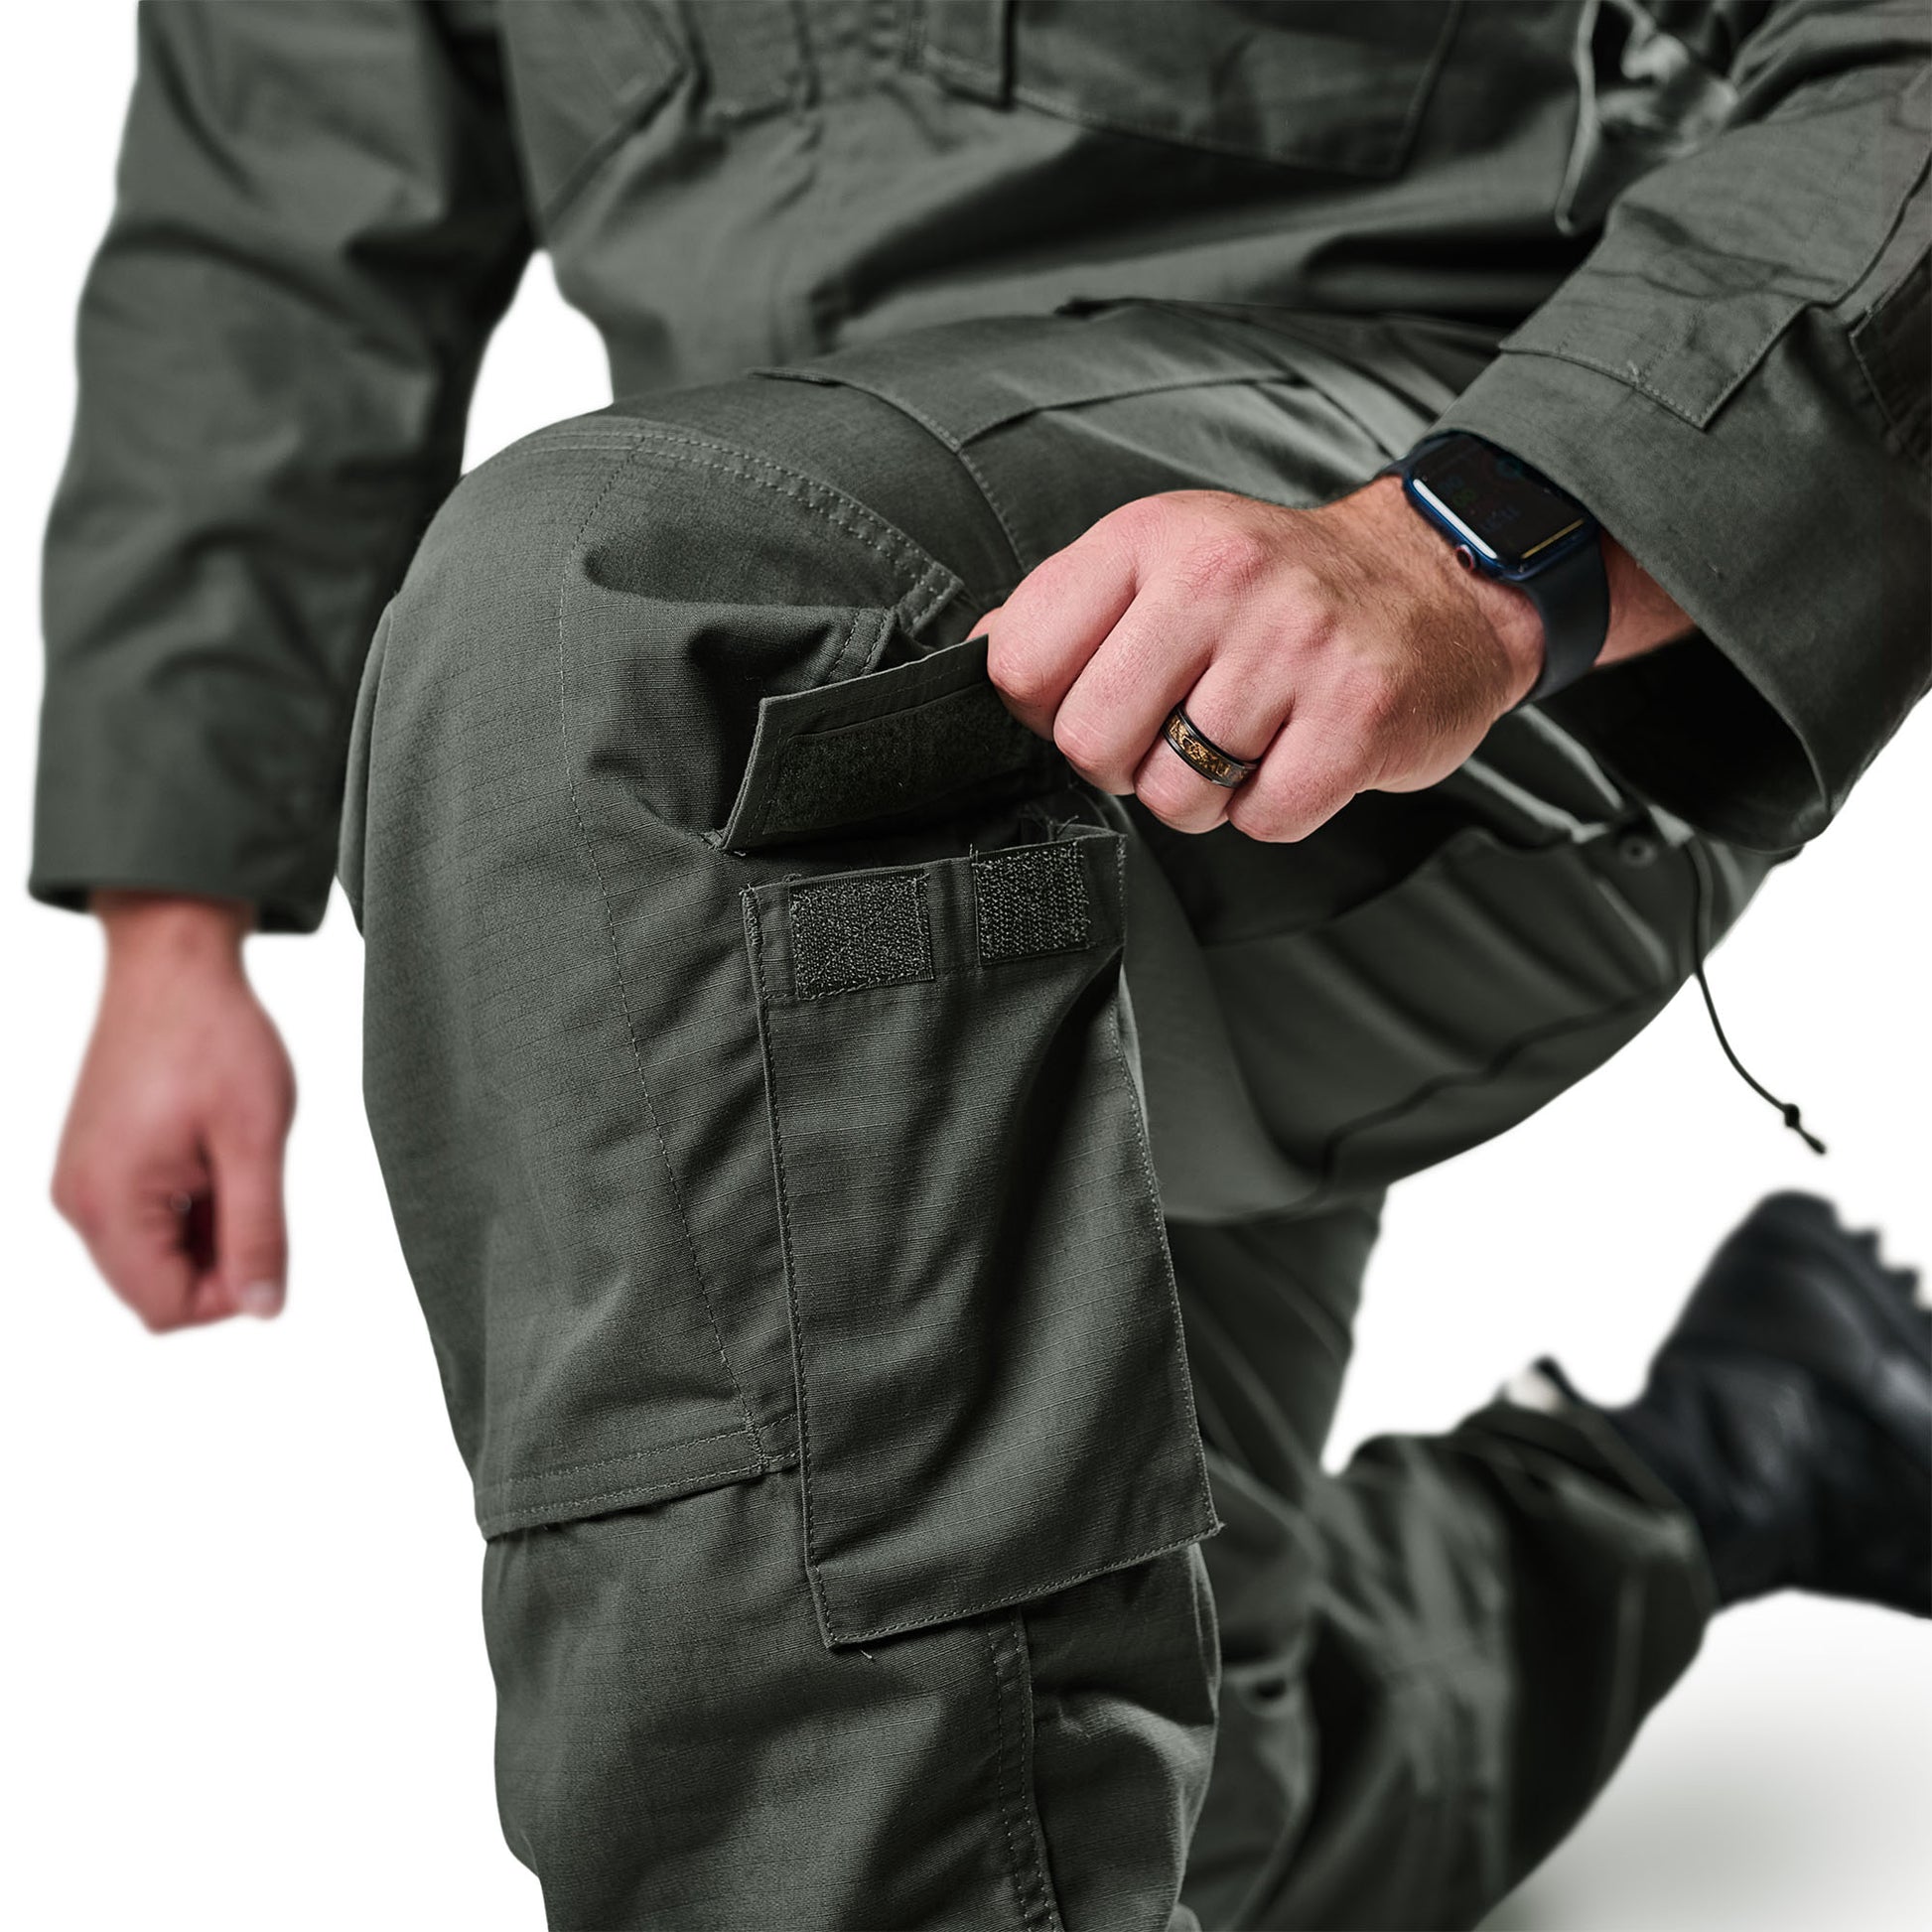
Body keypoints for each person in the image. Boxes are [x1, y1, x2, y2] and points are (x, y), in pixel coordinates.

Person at [35, 4, 1929, 1927]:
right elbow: (277, 208)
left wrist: (1474, 548)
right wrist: (173, 925)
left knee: (641, 615)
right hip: (831, 789)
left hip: (1465, 585)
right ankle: (1749, 1436)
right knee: (1123, 1809)